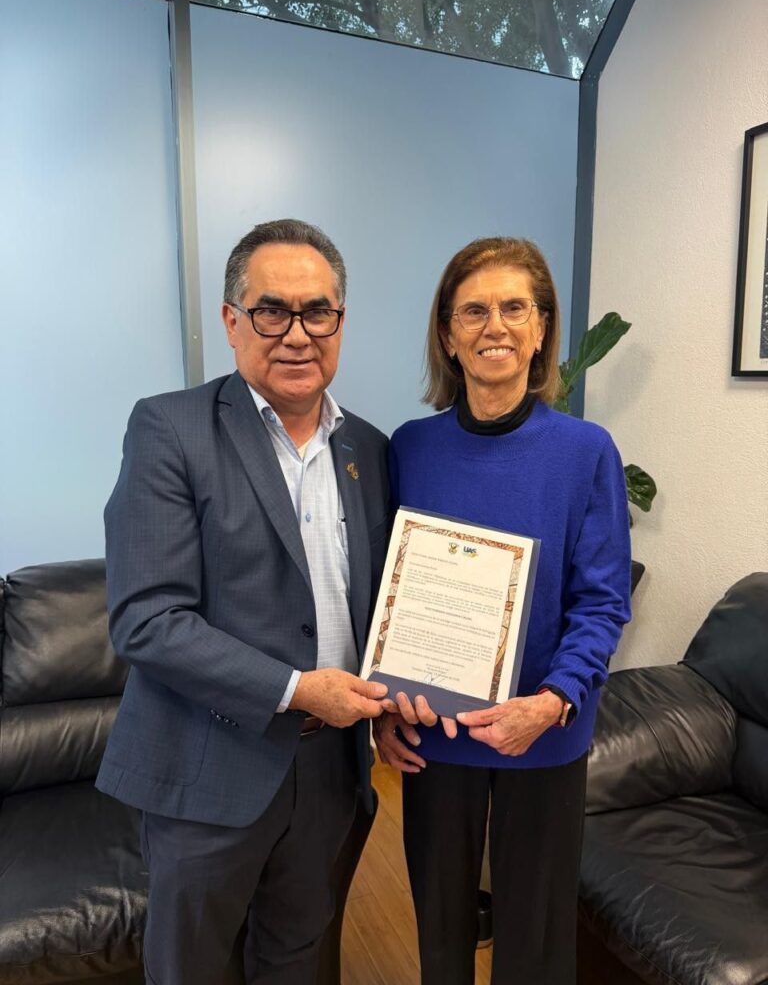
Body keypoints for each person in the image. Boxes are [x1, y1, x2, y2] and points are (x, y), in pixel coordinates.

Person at [96, 218, 393, 985]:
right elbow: (147, 619)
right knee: (193, 968)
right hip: (209, 764)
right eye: (271, 311)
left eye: (317, 311)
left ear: (340, 321)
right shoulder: (170, 428)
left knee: (300, 959)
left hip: (332, 769)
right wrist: (298, 689)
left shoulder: (368, 447)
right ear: (232, 322)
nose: (297, 334)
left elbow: (383, 604)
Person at [373, 237, 631, 985]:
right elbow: (388, 594)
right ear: (448, 335)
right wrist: (383, 709)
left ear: (541, 328)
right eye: (474, 311)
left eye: (515, 308)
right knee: (441, 933)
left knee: (537, 946)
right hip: (435, 732)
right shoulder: (410, 449)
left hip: (542, 734)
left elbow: (602, 600)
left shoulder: (586, 451)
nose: (496, 326)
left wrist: (551, 702)